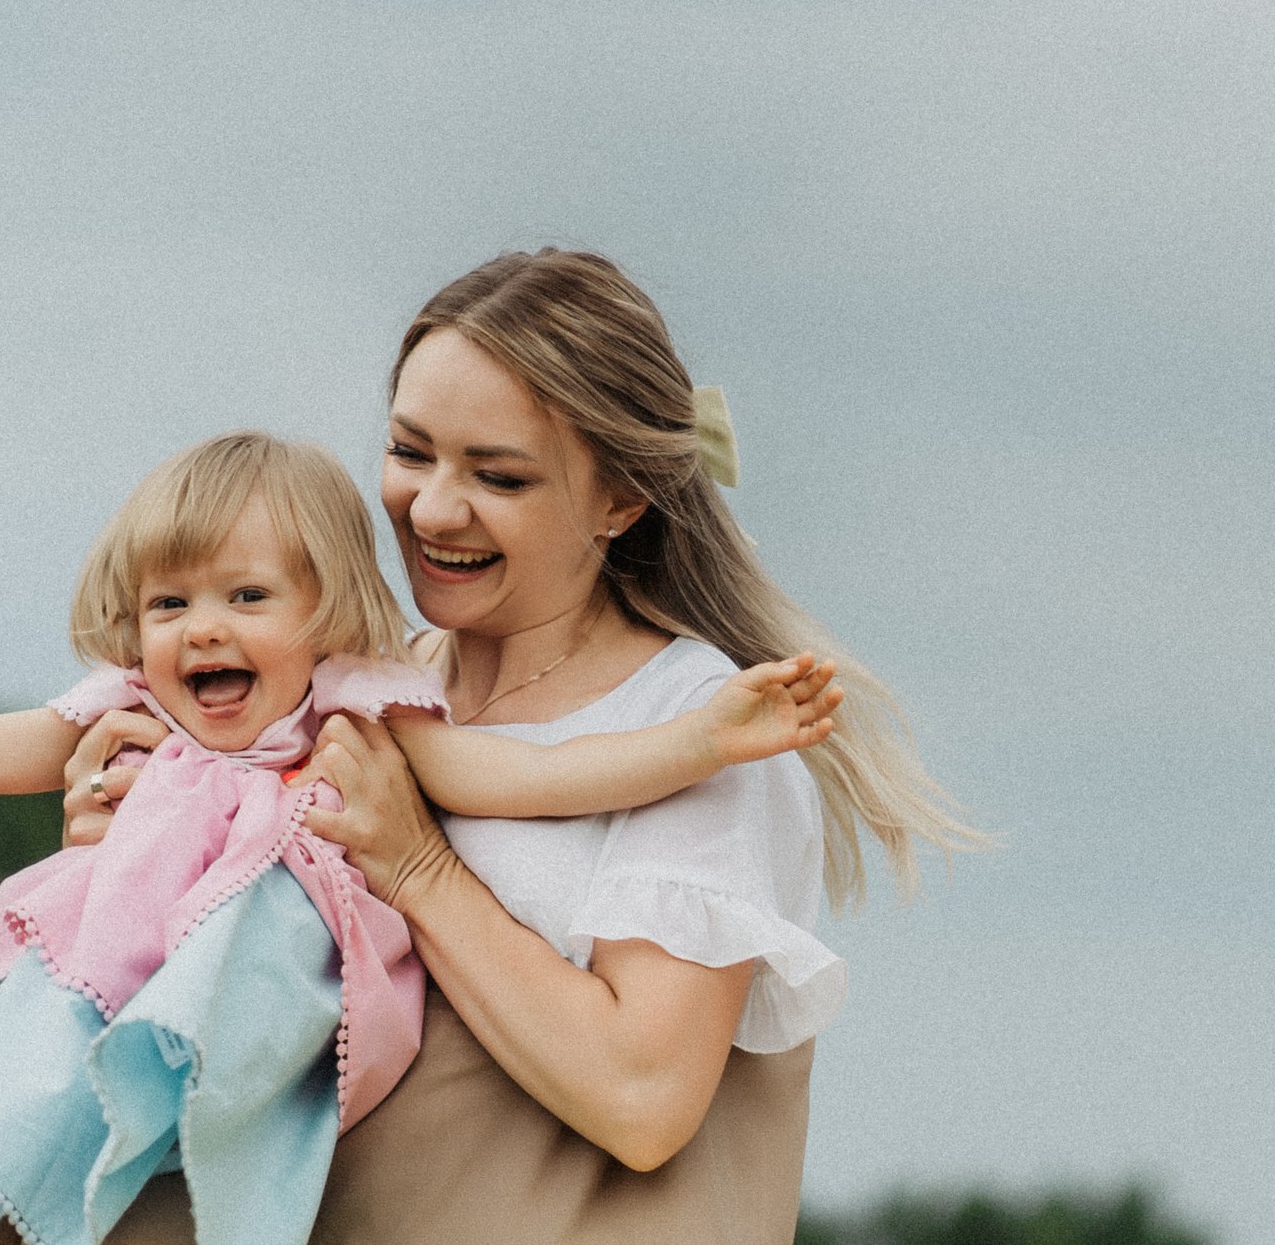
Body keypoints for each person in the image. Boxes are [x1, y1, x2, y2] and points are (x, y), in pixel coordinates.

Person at [0, 430, 841, 1245]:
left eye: (246, 598)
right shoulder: (126, 719)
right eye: (169, 605)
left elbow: (541, 775)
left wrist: (702, 741)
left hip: (250, 1018)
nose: (202, 631)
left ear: (326, 617)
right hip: (96, 1003)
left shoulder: (359, 725)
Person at [67, 249, 985, 1245]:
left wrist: (417, 865)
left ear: (620, 500)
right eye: (411, 453)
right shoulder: (353, 688)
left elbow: (643, 1097)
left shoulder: (696, 732)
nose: (432, 508)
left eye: (496, 475)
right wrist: (120, 857)